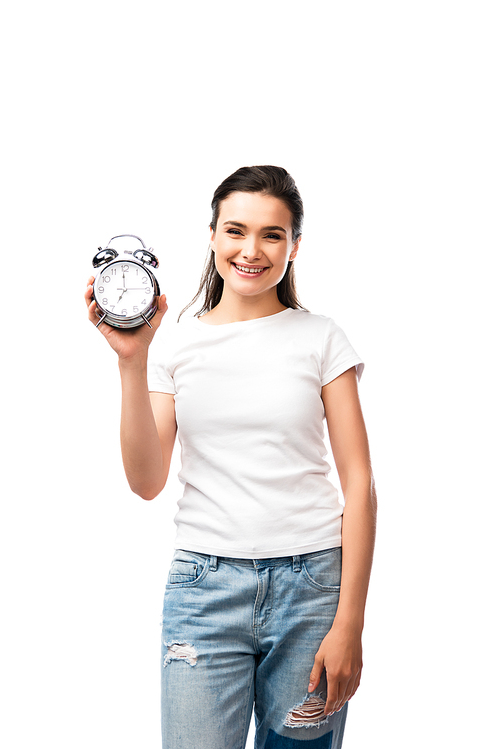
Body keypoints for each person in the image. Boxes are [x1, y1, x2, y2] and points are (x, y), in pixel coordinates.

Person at [85, 165, 377, 749]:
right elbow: (146, 481)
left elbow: (360, 484)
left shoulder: (321, 337)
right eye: (236, 231)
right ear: (213, 236)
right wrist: (131, 361)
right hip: (203, 590)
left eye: (272, 234)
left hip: (312, 587)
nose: (252, 250)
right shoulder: (176, 345)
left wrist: (351, 622)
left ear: (294, 246)